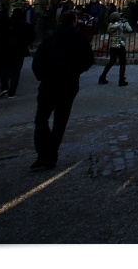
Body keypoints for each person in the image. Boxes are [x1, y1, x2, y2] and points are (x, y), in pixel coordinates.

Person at [30, 10, 95, 171]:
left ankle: (42, 153)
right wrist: (76, 71)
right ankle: (51, 154)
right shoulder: (79, 39)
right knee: (60, 120)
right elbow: (88, 60)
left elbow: (37, 62)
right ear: (74, 21)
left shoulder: (51, 38)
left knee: (41, 118)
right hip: (69, 83)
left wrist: (43, 76)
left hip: (49, 82)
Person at [98, 11, 134, 86]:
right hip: (121, 45)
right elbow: (130, 30)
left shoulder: (110, 25)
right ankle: (121, 79)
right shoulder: (121, 24)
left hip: (113, 45)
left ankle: (102, 76)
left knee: (111, 61)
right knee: (122, 62)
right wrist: (126, 22)